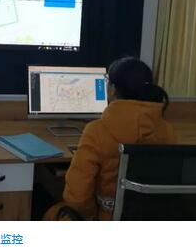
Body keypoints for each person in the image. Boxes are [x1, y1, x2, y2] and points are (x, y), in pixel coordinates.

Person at [44, 56, 176, 220]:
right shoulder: (167, 131)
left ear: (112, 89)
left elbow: (77, 198)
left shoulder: (97, 131)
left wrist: (92, 218)